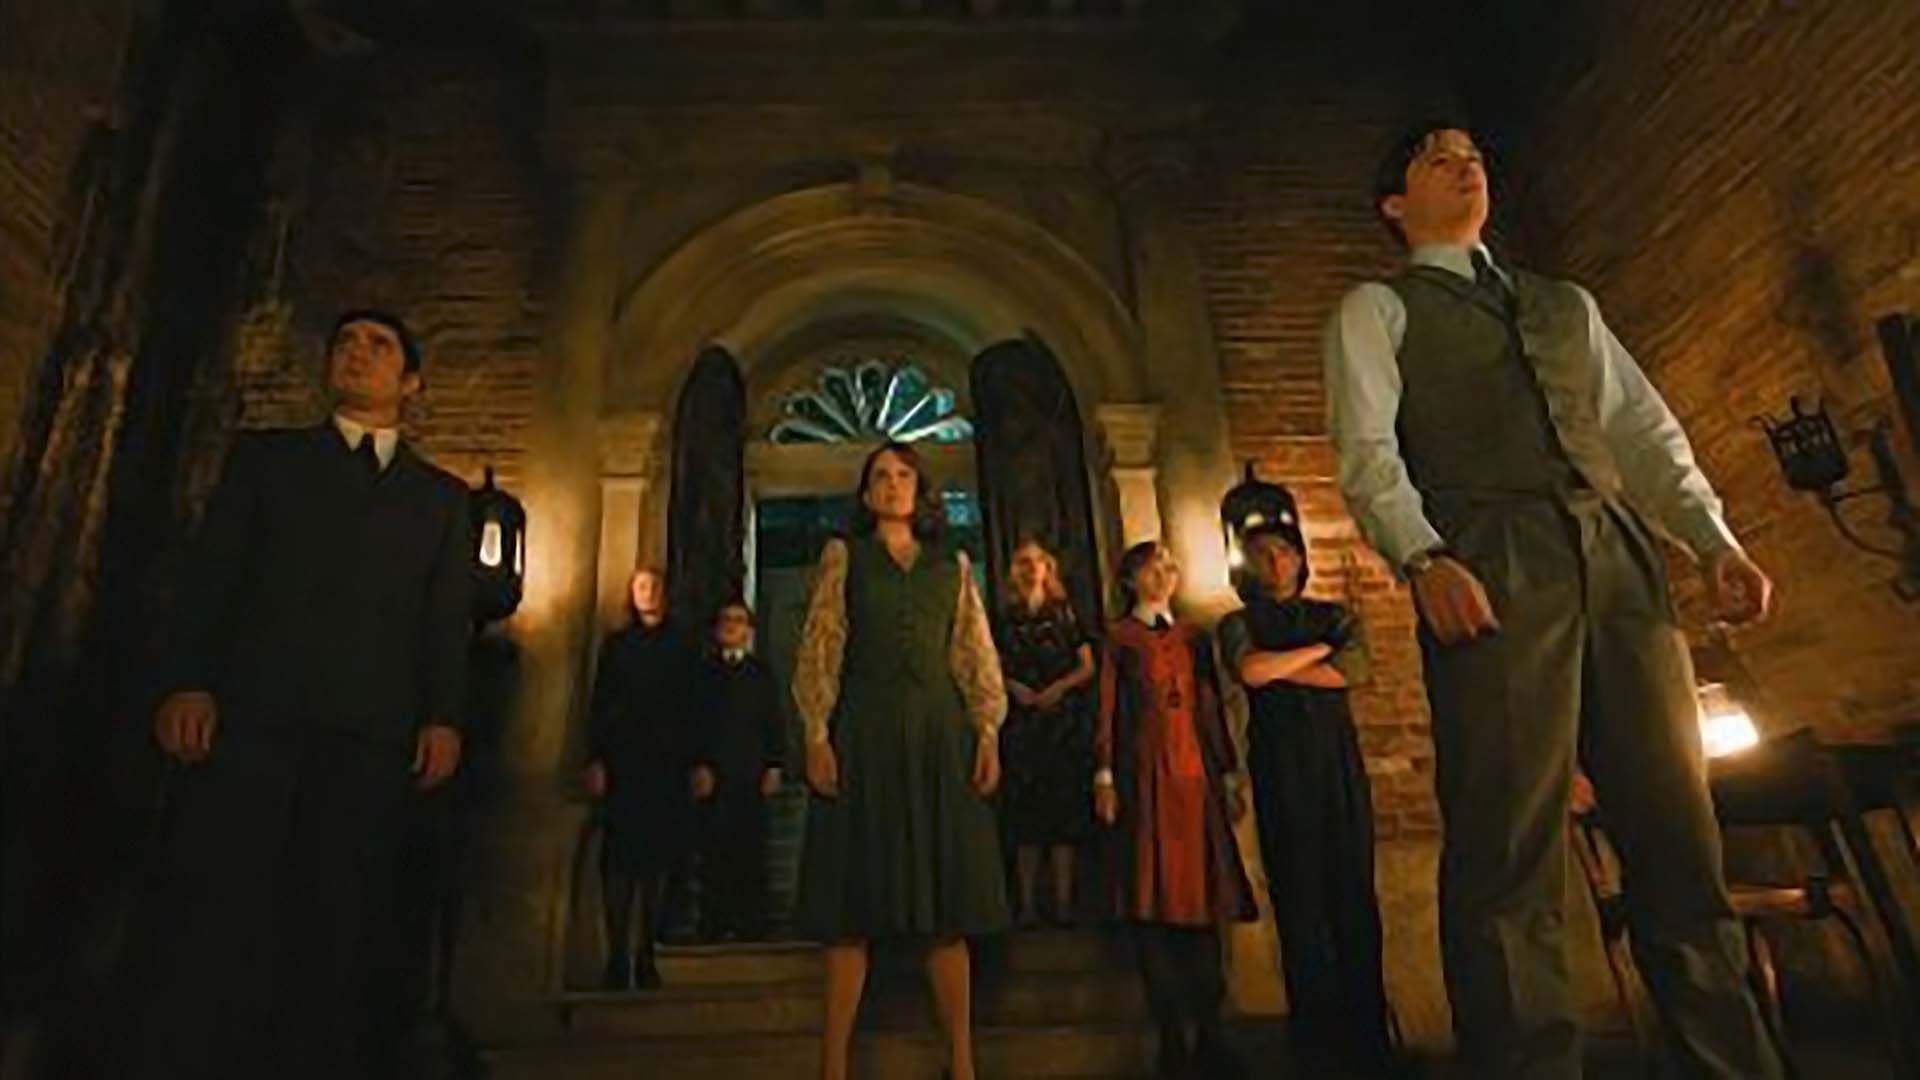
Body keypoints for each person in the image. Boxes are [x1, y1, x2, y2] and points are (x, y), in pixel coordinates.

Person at [1324, 122, 1783, 1078]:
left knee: (1678, 830)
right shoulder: (1378, 310)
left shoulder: (1566, 304)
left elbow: (1644, 433)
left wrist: (1712, 542)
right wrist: (1424, 557)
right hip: (1490, 556)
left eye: (1472, 152)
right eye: (1436, 157)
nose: (1465, 163)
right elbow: (1368, 455)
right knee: (1507, 846)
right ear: (1394, 205)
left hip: (1616, 553)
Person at [136, 310, 471, 1079]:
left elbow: (442, 620)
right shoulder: (268, 461)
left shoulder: (440, 499)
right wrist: (189, 680)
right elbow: (214, 574)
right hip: (258, 719)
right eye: (346, 342)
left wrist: (443, 717)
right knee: (226, 910)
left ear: (411, 382)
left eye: (378, 346)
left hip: (370, 735)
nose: (357, 353)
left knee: (338, 924)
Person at [791, 441, 1009, 1080]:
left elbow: (973, 650)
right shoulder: (846, 556)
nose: (892, 485)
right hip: (865, 732)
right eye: (881, 476)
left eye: (904, 475)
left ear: (920, 488)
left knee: (947, 908)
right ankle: (833, 1066)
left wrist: (987, 732)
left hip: (940, 736)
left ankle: (961, 1063)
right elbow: (822, 644)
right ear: (866, 494)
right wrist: (816, 733)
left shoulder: (951, 563)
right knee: (850, 908)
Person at [1217, 514, 1394, 1070]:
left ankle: (1369, 1038)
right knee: (1298, 899)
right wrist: (1317, 652)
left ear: (1298, 559)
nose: (1275, 562)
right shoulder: (1238, 623)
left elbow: (1352, 671)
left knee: (1353, 895)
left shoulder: (1333, 614)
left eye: (1282, 552)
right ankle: (1316, 1041)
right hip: (1279, 766)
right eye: (1262, 554)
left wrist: (1283, 667)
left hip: (1336, 765)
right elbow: (1250, 671)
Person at [1095, 540, 1257, 1079]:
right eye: (1151, 567)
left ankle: (1211, 1032)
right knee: (1153, 904)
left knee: (1204, 907)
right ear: (1130, 579)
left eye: (1169, 566)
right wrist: (1104, 774)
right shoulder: (1120, 638)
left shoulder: (1194, 637)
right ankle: (1170, 1039)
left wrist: (1227, 771)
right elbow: (1107, 709)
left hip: (1196, 784)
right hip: (1146, 781)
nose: (1164, 574)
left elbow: (1211, 707)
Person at [584, 567, 698, 990]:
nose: (647, 594)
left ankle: (647, 953)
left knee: (657, 865)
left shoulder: (682, 647)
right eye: (640, 587)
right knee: (619, 864)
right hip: (624, 765)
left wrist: (697, 761)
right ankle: (616, 956)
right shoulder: (617, 646)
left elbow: (696, 705)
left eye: (653, 586)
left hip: (666, 766)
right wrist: (596, 758)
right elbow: (600, 702)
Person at [996, 537, 1097, 928]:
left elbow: (1086, 665)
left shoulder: (1066, 614)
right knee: (1026, 818)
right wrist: (1014, 688)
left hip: (1061, 722)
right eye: (1022, 561)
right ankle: (1026, 904)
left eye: (1036, 560)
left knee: (1062, 815)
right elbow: (992, 664)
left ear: (1048, 567)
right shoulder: (1005, 618)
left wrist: (1059, 688)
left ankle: (1064, 902)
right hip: (1022, 723)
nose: (1030, 567)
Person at [690, 599, 784, 942]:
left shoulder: (761, 674)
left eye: (739, 620)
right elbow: (693, 722)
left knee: (751, 849)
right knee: (714, 850)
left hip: (751, 773)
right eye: (726, 619)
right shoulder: (704, 674)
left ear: (749, 630)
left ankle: (751, 921)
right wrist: (699, 764)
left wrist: (774, 765)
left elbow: (773, 721)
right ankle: (713, 921)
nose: (732, 625)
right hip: (715, 774)